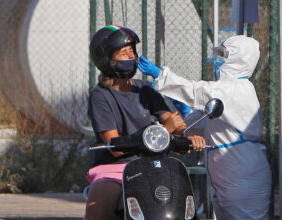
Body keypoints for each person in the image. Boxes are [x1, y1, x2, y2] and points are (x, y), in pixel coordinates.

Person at [138, 35, 272, 219]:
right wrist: (187, 115)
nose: (217, 59)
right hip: (227, 176)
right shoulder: (226, 90)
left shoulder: (237, 89)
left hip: (242, 177)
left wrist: (161, 75)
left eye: (223, 55)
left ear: (239, 59)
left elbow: (198, 90)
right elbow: (202, 124)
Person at [85, 25, 206, 220]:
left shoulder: (145, 89)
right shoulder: (100, 96)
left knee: (183, 203)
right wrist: (164, 130)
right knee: (98, 203)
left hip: (154, 164)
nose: (131, 57)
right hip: (114, 167)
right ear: (107, 59)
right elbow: (114, 145)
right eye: (124, 53)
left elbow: (172, 121)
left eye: (132, 51)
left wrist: (187, 135)